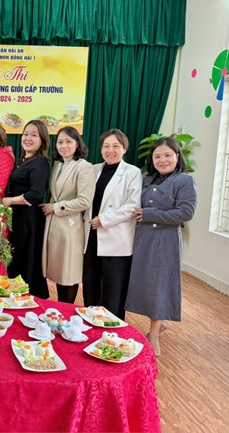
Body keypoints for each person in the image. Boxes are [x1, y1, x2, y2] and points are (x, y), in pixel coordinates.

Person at [125, 137, 197, 357]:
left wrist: (150, 214)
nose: (162, 160)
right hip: (143, 238)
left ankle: (154, 335)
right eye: (157, 156)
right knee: (146, 283)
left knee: (159, 285)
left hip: (165, 241)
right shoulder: (146, 178)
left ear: (177, 156)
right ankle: (160, 322)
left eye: (167, 155)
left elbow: (185, 212)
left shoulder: (184, 180)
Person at [82, 129, 142, 319]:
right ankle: (91, 324)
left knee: (113, 289)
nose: (110, 150)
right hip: (91, 235)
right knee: (90, 285)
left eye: (116, 146)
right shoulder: (93, 169)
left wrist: (104, 220)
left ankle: (113, 327)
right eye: (106, 146)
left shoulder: (132, 172)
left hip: (116, 238)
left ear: (124, 149)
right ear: (101, 149)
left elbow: (132, 206)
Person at [41, 126, 95, 304]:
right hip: (54, 226)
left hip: (71, 227)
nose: (63, 146)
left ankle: (66, 309)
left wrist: (56, 207)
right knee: (58, 272)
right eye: (60, 142)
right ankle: (59, 308)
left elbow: (84, 201)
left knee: (68, 273)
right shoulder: (58, 165)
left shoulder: (84, 167)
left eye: (68, 141)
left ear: (77, 143)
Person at [2, 120, 51, 299]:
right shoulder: (24, 160)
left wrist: (10, 200)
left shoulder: (40, 163)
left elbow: (36, 193)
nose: (28, 138)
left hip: (29, 219)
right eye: (26, 134)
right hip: (19, 217)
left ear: (42, 140)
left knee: (26, 257)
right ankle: (15, 295)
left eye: (34, 135)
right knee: (18, 257)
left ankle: (27, 297)